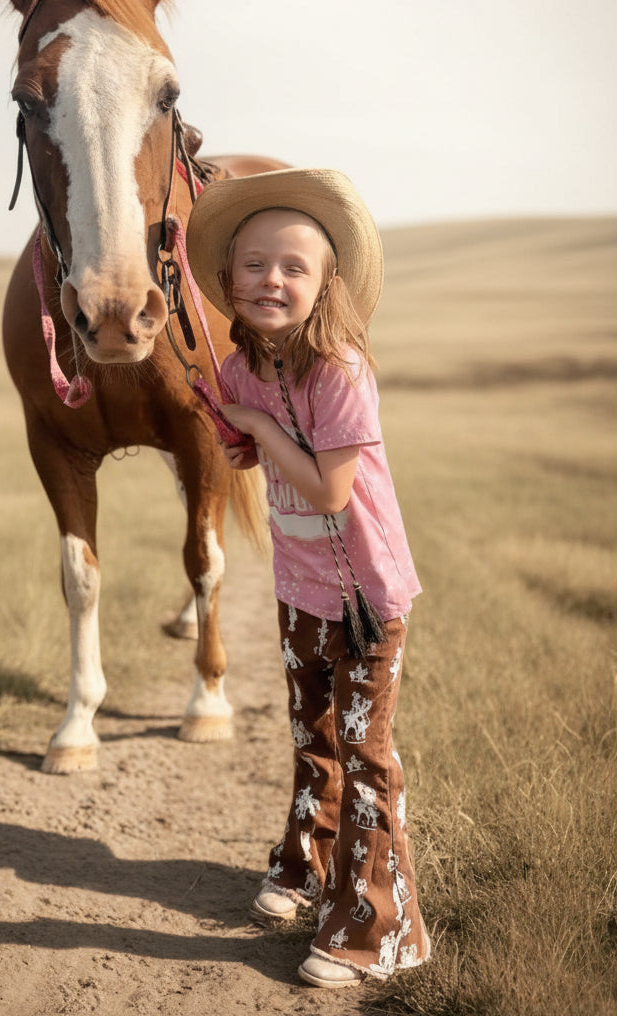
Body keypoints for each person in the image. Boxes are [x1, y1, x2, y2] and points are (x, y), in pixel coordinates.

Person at [186, 168, 431, 990]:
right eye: (254, 265)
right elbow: (248, 445)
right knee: (311, 737)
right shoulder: (245, 368)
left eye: (294, 267)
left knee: (365, 754)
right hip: (301, 592)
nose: (272, 281)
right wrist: (241, 434)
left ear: (327, 284)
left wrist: (254, 426)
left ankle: (379, 930)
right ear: (228, 281)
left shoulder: (340, 369)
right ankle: (309, 868)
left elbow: (329, 488)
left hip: (365, 598)